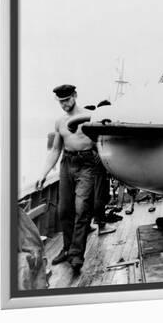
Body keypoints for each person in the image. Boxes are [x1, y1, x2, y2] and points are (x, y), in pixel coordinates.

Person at [35, 84, 109, 274]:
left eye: (67, 100)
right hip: (67, 164)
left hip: (87, 164)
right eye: (61, 102)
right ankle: (67, 248)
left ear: (75, 95)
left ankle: (76, 255)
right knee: (64, 210)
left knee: (82, 209)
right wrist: (43, 174)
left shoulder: (90, 117)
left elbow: (102, 143)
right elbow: (55, 150)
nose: (64, 104)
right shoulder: (59, 122)